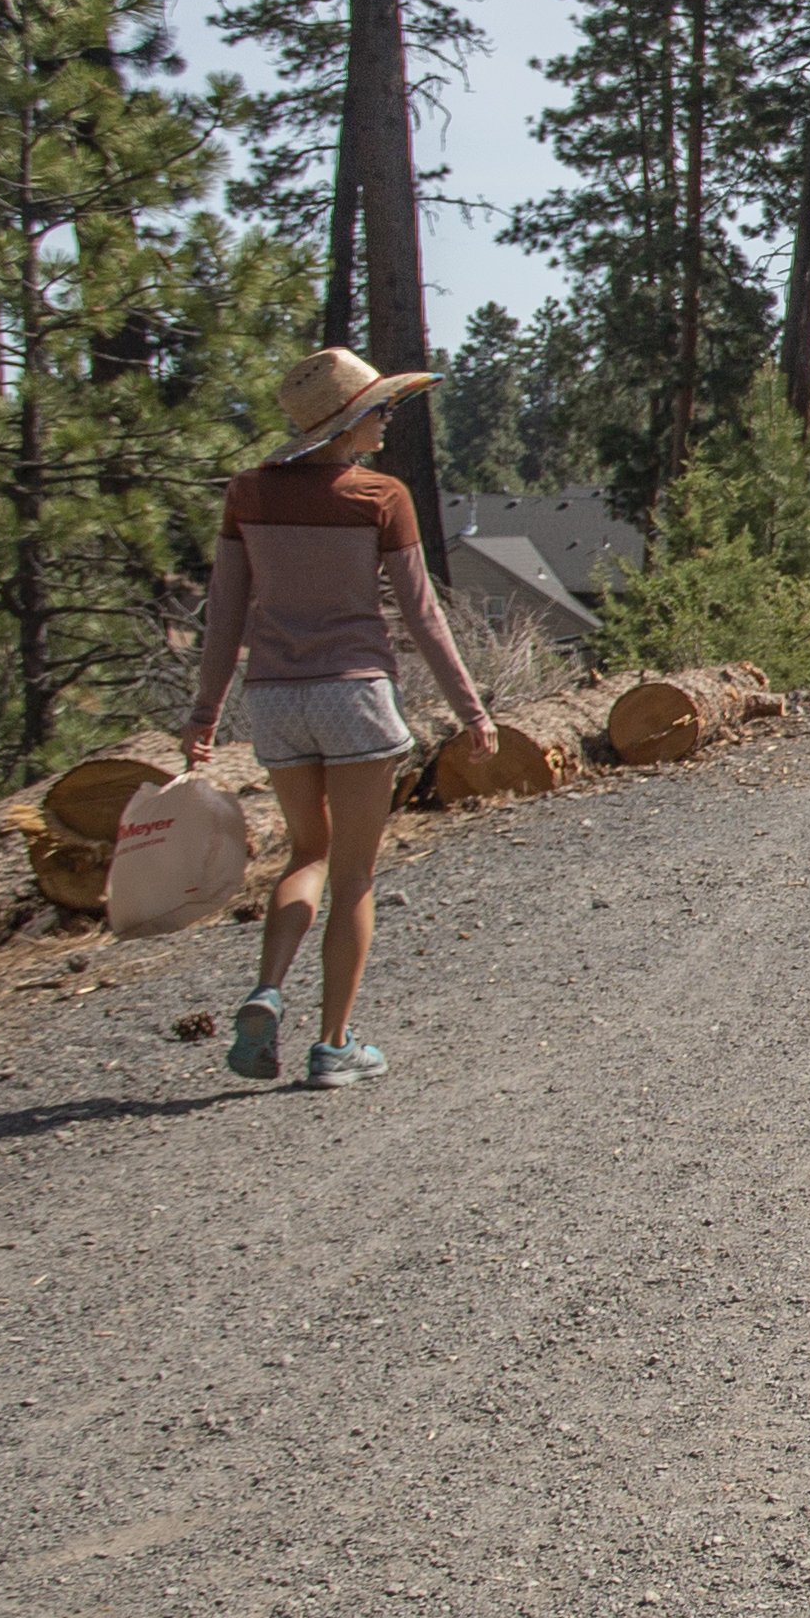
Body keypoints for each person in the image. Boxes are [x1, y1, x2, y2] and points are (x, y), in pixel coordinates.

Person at [180, 348, 491, 1089]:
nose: (387, 419)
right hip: (352, 694)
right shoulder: (380, 496)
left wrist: (203, 715)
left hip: (275, 700)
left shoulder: (247, 494)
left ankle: (266, 991)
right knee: (353, 874)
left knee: (305, 855)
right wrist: (471, 710)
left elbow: (224, 612)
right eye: (380, 409)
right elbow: (423, 616)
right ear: (350, 423)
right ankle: (333, 1044)